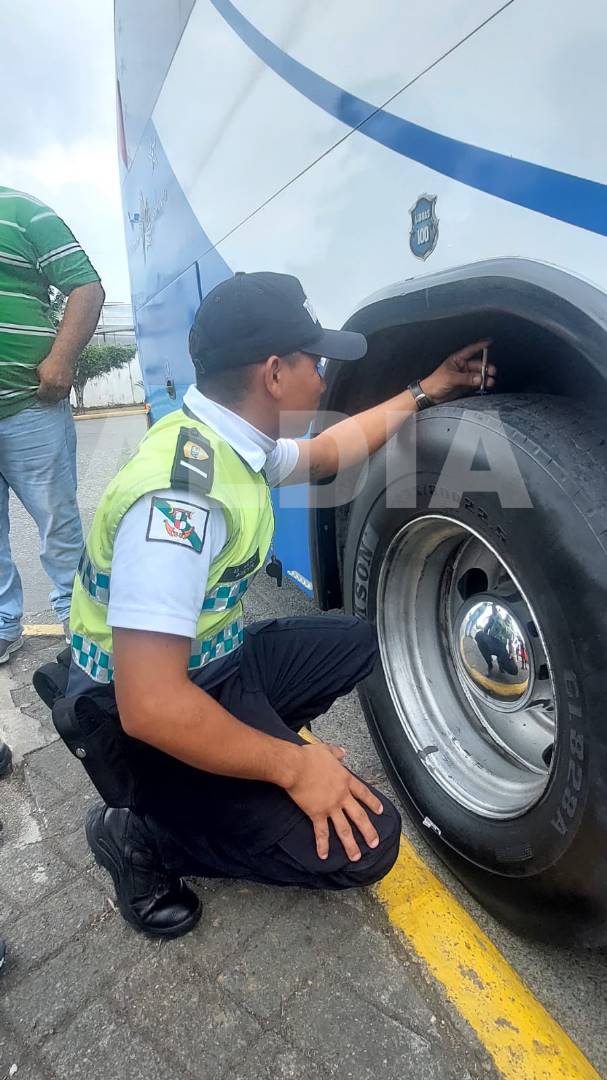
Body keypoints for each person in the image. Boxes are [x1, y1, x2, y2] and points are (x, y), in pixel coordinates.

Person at [59, 271, 494, 938]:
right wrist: (296, 766)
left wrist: (425, 388)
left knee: (356, 637)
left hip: (212, 669)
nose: (322, 377)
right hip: (137, 717)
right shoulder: (179, 501)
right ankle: (144, 833)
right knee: (369, 843)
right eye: (312, 361)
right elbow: (151, 707)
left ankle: (233, 767)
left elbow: (325, 453)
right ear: (273, 374)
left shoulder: (225, 439)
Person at [0, 186, 104, 661]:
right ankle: (4, 625)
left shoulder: (23, 212)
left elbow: (86, 285)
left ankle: (77, 620)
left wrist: (61, 360)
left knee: (57, 522)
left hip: (29, 405)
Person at [475, 605, 518, 677]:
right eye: (507, 615)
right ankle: (489, 664)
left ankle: (502, 666)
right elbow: (486, 627)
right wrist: (494, 605)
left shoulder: (510, 626)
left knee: (514, 670)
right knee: (479, 635)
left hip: (502, 647)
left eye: (509, 616)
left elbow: (510, 642)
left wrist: (512, 653)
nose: (508, 617)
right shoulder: (496, 617)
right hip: (491, 641)